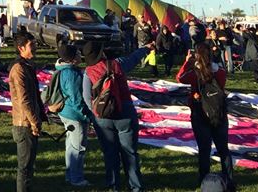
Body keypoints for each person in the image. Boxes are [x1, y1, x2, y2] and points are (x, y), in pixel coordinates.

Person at [83, 40, 152, 192]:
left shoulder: (88, 72)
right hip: (125, 113)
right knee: (130, 152)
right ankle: (135, 186)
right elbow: (133, 59)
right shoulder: (117, 64)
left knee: (110, 153)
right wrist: (145, 49)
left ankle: (113, 185)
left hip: (102, 118)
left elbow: (87, 97)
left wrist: (96, 113)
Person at [177, 43, 234, 188]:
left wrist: (187, 62)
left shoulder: (194, 73)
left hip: (200, 113)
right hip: (219, 112)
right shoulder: (220, 71)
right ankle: (229, 179)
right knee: (223, 149)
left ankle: (204, 180)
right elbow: (221, 85)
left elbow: (179, 78)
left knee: (204, 149)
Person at [9, 31, 45, 192]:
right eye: (32, 45)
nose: (35, 47)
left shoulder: (26, 66)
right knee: (24, 167)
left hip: (29, 122)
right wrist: (34, 122)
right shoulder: (18, 69)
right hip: (24, 124)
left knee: (29, 166)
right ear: (21, 48)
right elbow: (24, 100)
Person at [54, 44, 91, 187]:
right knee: (78, 148)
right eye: (77, 53)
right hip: (75, 115)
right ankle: (77, 178)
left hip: (65, 112)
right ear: (73, 58)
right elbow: (76, 100)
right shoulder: (73, 74)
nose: (80, 56)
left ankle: (70, 174)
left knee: (70, 145)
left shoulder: (62, 70)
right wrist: (85, 116)